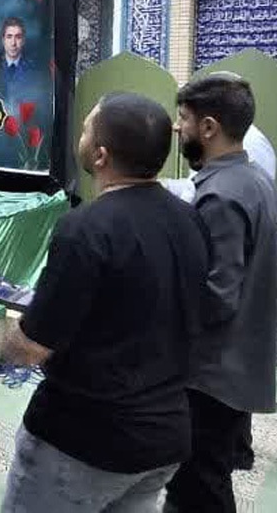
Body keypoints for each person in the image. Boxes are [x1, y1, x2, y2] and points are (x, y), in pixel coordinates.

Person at [0, 93, 211, 512]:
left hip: (83, 445)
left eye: (87, 129)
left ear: (101, 155)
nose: (82, 136)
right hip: (164, 440)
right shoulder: (190, 218)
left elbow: (33, 347)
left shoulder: (85, 228)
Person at [165, 74, 277, 512]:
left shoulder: (221, 196)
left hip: (211, 377)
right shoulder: (255, 180)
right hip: (238, 363)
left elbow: (217, 296)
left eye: (184, 118)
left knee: (198, 488)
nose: (178, 128)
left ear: (209, 127)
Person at [1, 17, 33, 102]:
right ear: (3, 40)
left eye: (18, 37)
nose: (13, 43)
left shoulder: (33, 70)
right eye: (9, 37)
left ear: (23, 41)